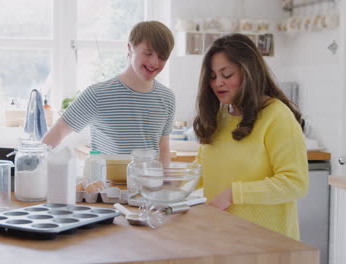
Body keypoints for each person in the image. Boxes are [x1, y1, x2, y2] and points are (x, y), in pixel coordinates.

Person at [193, 33, 308, 240]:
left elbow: (295, 183)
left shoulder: (277, 116)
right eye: (212, 76)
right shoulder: (218, 118)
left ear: (249, 72)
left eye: (226, 74)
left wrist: (234, 194)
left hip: (265, 245)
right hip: (222, 240)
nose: (218, 82)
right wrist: (162, 185)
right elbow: (199, 174)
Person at [42, 21, 175, 162]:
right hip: (104, 183)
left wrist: (166, 182)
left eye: (162, 57)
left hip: (149, 183)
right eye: (148, 53)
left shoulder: (167, 98)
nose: (154, 62)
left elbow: (164, 148)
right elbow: (58, 132)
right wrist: (33, 167)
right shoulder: (97, 95)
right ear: (130, 48)